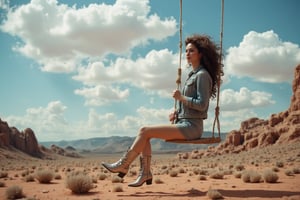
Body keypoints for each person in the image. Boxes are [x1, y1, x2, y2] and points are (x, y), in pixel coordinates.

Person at [102, 34, 222, 187]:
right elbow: (189, 106)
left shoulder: (202, 75)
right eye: (186, 51)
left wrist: (182, 98)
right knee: (145, 134)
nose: (187, 54)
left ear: (201, 54)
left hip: (192, 128)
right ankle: (144, 173)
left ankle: (123, 165)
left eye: (191, 51)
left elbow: (202, 105)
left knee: (145, 130)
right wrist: (177, 113)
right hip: (184, 123)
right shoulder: (192, 75)